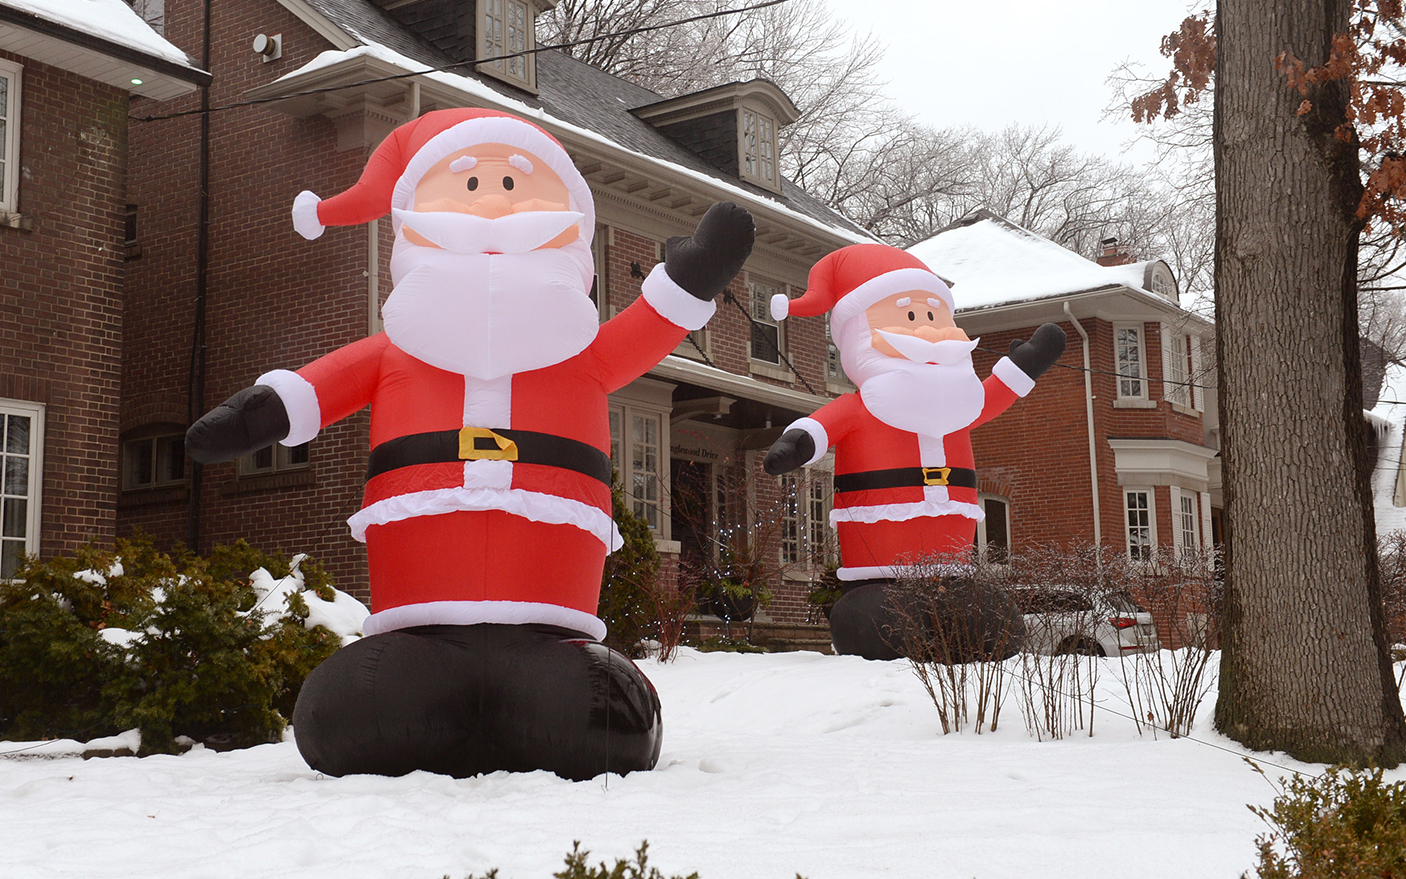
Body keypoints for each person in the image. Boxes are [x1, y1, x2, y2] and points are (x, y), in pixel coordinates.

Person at [187, 108, 753, 777]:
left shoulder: (583, 356)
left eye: (516, 184)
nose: (492, 203)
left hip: (551, 628)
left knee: (595, 721)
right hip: (420, 627)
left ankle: (550, 696)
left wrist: (694, 275)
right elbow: (313, 390)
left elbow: (653, 323)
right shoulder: (396, 352)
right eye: (468, 185)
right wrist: (258, 414)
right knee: (355, 714)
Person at [762, 244, 1064, 661]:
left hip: (953, 565)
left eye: (934, 315)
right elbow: (823, 426)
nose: (929, 330)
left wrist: (1026, 364)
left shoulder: (961, 403)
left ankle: (966, 620)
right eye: (909, 315)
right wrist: (796, 444)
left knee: (987, 620)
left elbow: (992, 395)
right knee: (880, 621)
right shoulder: (864, 404)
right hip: (878, 568)